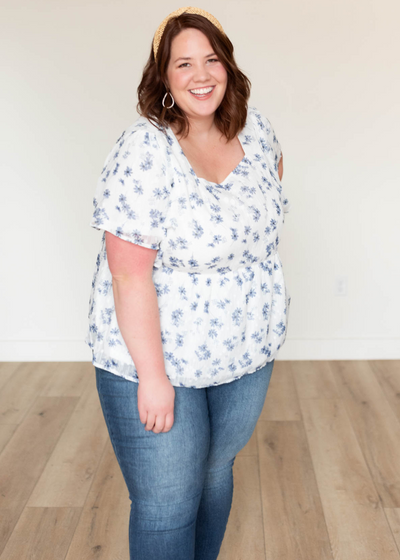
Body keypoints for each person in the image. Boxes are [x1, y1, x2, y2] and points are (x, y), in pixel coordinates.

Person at [85, 6, 291, 560]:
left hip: (244, 351)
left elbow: (264, 222)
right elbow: (128, 276)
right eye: (183, 64)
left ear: (228, 66)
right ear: (165, 79)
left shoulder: (258, 131)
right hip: (156, 360)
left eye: (211, 59)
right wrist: (152, 379)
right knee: (168, 503)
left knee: (214, 473)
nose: (202, 75)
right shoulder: (144, 151)